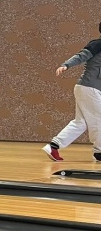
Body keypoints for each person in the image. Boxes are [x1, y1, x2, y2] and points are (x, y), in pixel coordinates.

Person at [43, 25, 101, 161]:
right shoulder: (98, 44)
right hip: (89, 88)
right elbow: (81, 55)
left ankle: (54, 146)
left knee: (81, 123)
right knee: (99, 119)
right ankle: (99, 152)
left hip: (88, 89)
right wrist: (66, 65)